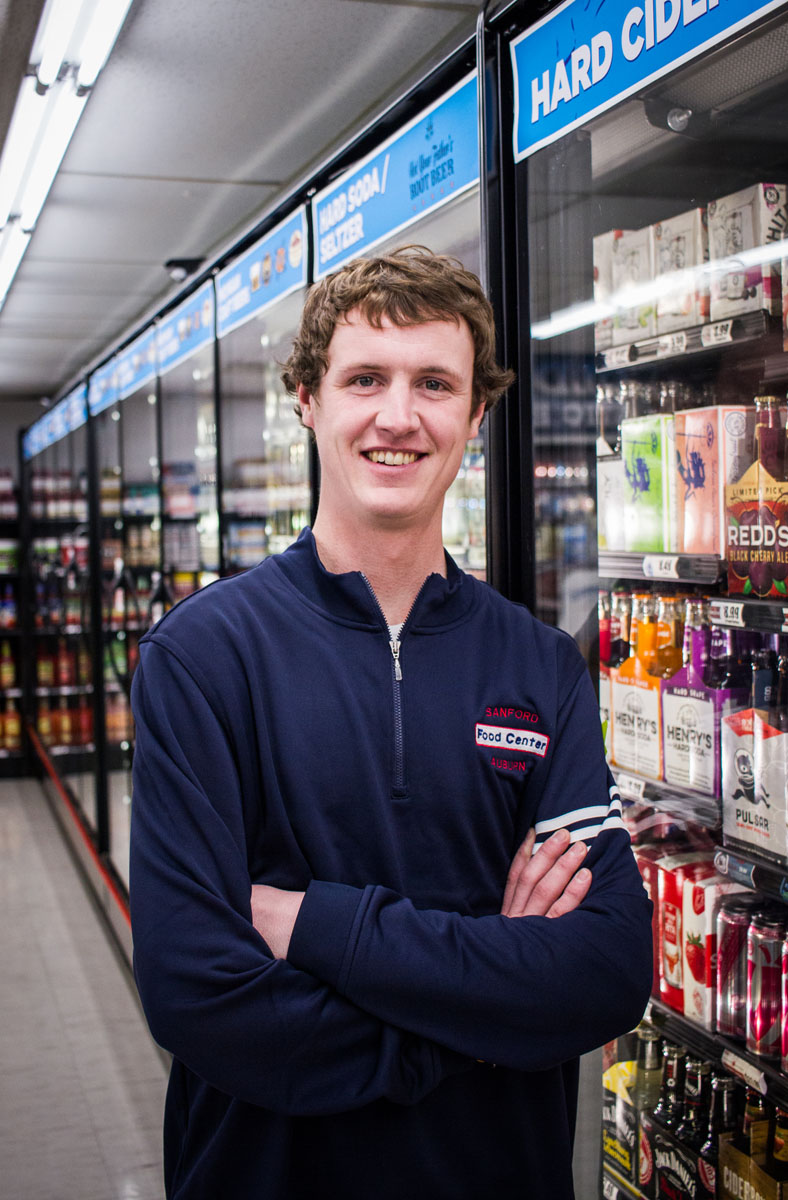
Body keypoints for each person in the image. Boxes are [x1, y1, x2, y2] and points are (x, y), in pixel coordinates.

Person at [129, 246, 653, 1200]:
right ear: (307, 398)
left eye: (435, 384)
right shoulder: (202, 658)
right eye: (365, 378)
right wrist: (484, 1021)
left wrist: (313, 922)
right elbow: (199, 997)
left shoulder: (540, 667)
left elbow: (607, 971)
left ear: (477, 413)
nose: (399, 416)